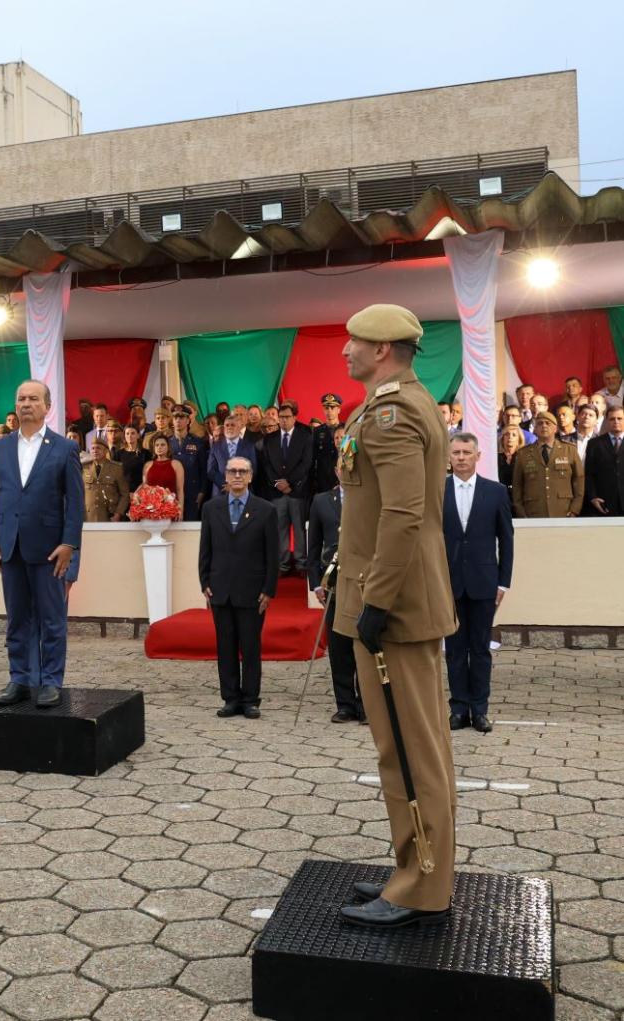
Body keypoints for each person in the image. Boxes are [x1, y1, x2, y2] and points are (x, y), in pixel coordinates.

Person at [333, 304, 457, 929]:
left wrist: (375, 601)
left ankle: (421, 885)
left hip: (396, 606)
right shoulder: (395, 404)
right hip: (392, 598)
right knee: (405, 747)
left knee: (412, 751)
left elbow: (403, 516)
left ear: (383, 349)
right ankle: (412, 864)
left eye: (354, 342)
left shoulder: (392, 413)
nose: (345, 350)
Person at [0, 380, 84, 709]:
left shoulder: (63, 448)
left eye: (33, 398)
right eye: (21, 398)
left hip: (50, 549)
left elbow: (76, 502)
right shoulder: (2, 446)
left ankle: (51, 681)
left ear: (47, 406)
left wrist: (69, 543)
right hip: (9, 547)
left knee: (52, 619)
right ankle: (20, 678)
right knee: (17, 619)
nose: (26, 403)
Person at [443, 433, 513, 735]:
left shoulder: (495, 492)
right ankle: (458, 709)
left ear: (477, 456)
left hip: (485, 583)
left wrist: (504, 582)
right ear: (448, 456)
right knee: (455, 649)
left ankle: (480, 710)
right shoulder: (437, 490)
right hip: (448, 584)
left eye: (466, 452)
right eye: (456, 452)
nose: (460, 457)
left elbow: (506, 540)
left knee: (480, 649)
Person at [200, 457, 279, 720]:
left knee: (250, 646)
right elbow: (205, 549)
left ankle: (250, 700)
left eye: (242, 471)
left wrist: (269, 589)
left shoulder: (266, 510)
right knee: (225, 647)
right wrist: (205, 582)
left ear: (250, 476)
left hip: (252, 591)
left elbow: (272, 555)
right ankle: (231, 698)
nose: (236, 475)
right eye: (232, 471)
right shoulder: (212, 509)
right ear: (225, 475)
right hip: (220, 589)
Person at [308, 467, 363, 724]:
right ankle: (345, 704)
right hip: (333, 584)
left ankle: (366, 704)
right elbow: (314, 546)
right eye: (343, 467)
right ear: (336, 471)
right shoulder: (321, 501)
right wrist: (316, 584)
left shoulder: (369, 497)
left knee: (363, 643)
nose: (347, 471)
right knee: (339, 646)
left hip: (363, 583)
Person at [260, 401, 313, 575]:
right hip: (276, 492)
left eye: (287, 417)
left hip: (297, 491)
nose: (283, 420)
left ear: (295, 417)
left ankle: (301, 564)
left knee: (299, 529)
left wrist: (289, 483)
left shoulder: (305, 435)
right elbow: (267, 465)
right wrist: (278, 483)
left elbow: (306, 464)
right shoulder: (270, 438)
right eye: (281, 417)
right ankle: (282, 564)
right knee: (279, 529)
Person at [511, 411, 584, 518]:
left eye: (547, 423)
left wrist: (575, 509)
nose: (544, 426)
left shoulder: (569, 450)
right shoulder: (523, 453)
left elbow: (579, 480)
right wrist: (521, 512)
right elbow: (517, 485)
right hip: (533, 512)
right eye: (539, 423)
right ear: (535, 429)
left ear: (555, 429)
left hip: (563, 511)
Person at [170, 404, 210, 521]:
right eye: (175, 417)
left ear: (188, 420)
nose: (178, 420)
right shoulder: (166, 443)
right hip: (171, 494)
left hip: (192, 492)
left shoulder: (198, 442)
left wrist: (202, 492)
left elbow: (203, 470)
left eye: (182, 417)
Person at [206, 414, 258, 497]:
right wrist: (225, 484)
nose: (229, 427)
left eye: (232, 425)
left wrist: (236, 485)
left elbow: (252, 469)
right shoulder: (216, 446)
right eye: (227, 425)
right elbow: (211, 470)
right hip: (221, 493)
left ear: (239, 427)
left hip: (243, 493)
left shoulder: (249, 446)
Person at [585, 407, 624, 516]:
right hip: (604, 503)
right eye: (612, 419)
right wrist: (592, 497)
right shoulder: (594, 444)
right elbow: (589, 474)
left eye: (619, 418)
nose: (616, 421)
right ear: (606, 421)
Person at [83, 440, 129, 522]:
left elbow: (125, 494)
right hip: (88, 516)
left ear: (106, 451)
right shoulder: (84, 468)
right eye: (93, 448)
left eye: (98, 448)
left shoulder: (117, 468)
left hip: (109, 516)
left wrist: (118, 514)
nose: (95, 451)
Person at [142, 434, 182, 503]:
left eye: (162, 445)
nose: (159, 447)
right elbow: (145, 488)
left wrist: (180, 510)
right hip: (151, 507)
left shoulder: (176, 464)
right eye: (157, 445)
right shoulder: (148, 465)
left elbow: (180, 490)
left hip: (170, 507)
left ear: (168, 447)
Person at [497, 425, 526, 498]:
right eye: (507, 434)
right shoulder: (496, 458)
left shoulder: (524, 458)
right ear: (502, 439)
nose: (510, 438)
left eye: (514, 435)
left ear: (518, 441)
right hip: (500, 497)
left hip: (519, 498)